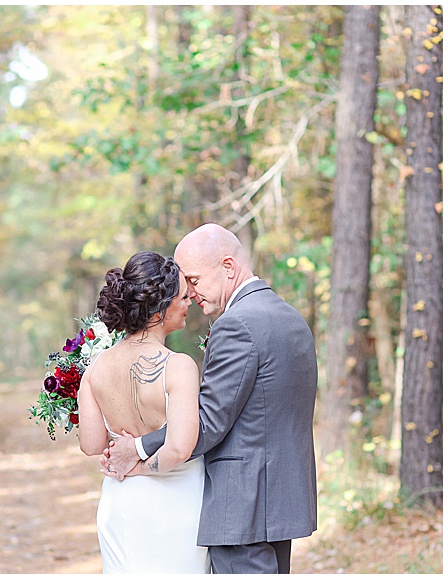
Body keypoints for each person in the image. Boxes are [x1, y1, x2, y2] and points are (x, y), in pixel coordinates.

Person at [103, 223, 318, 574]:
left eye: (195, 279)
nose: (188, 293)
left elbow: (207, 421)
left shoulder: (237, 325)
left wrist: (139, 448)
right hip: (281, 501)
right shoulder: (290, 318)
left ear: (229, 266)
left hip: (242, 508)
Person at [77, 251, 211, 573]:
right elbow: (179, 448)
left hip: (120, 501)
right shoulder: (178, 367)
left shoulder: (94, 368)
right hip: (176, 504)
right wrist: (142, 467)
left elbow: (92, 444)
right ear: (159, 309)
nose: (190, 299)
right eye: (182, 296)